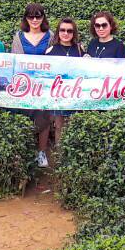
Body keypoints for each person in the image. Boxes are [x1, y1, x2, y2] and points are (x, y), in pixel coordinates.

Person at [11, 3, 53, 167]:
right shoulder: (19, 36)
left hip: (44, 83)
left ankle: (41, 152)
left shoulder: (50, 35)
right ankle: (25, 151)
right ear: (26, 18)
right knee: (24, 114)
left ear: (43, 17)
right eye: (31, 16)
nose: (35, 20)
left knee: (44, 115)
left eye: (38, 16)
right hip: (25, 83)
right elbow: (15, 59)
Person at [45, 16, 84, 161]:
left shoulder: (79, 49)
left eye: (69, 30)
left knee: (74, 124)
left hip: (76, 94)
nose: (66, 33)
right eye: (62, 30)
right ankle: (60, 156)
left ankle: (73, 156)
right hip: (58, 95)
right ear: (58, 32)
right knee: (59, 125)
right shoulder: (50, 50)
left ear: (74, 33)